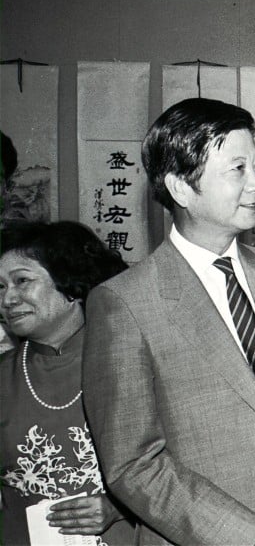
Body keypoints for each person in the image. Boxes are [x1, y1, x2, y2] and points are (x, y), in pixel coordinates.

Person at [82, 98, 255, 546]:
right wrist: (253, 537)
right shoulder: (124, 303)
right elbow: (134, 464)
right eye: (239, 169)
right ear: (181, 188)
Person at [0, 221, 134, 546]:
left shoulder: (132, 359)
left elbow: (186, 459)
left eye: (22, 281)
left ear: (70, 281)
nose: (8, 298)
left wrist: (122, 505)